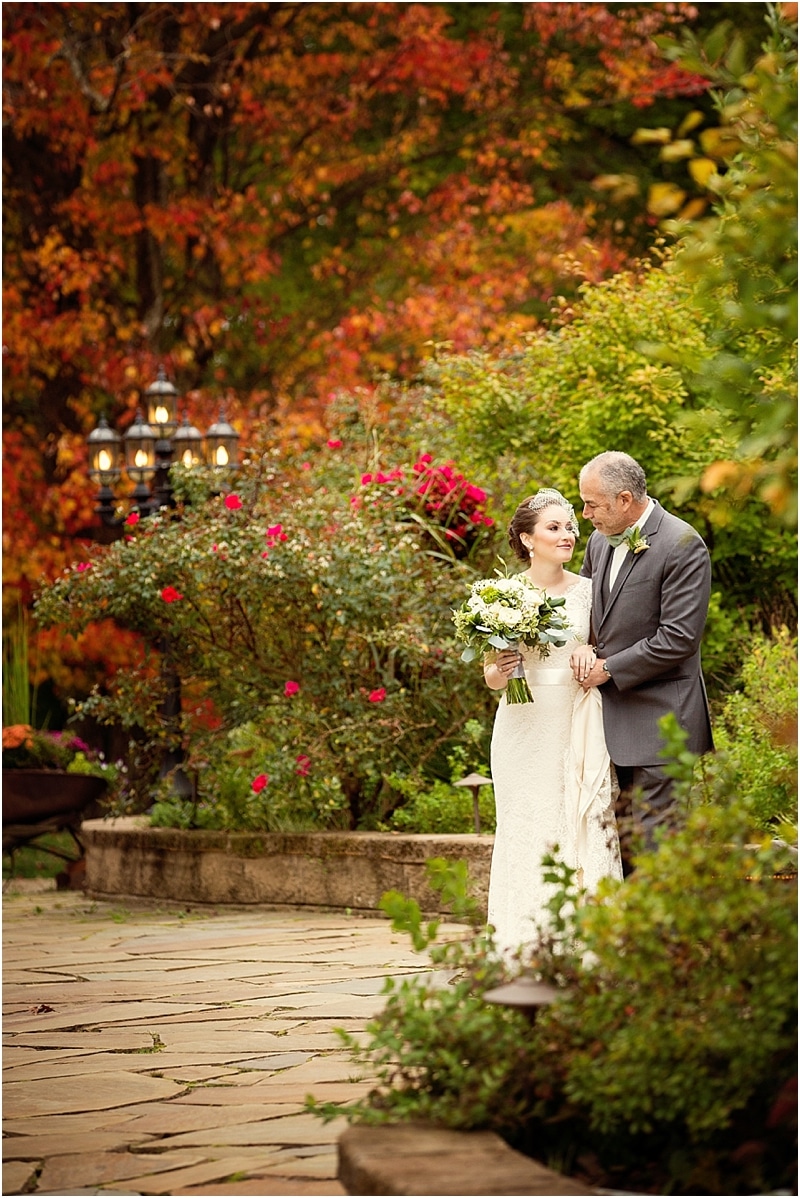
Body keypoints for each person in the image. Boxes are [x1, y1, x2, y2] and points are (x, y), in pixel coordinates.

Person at [485, 488, 622, 956]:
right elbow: (490, 677)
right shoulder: (502, 596)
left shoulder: (590, 591)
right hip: (521, 728)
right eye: (554, 527)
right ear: (527, 539)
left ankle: (585, 947)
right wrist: (500, 669)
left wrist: (591, 651)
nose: (567, 535)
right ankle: (523, 947)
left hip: (575, 723)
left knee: (580, 821)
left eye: (569, 527)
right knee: (526, 829)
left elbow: (605, 646)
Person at [576, 451, 713, 870]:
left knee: (657, 850)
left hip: (662, 721)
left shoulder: (682, 544)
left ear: (624, 499)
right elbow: (587, 613)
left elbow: (679, 637)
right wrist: (582, 645)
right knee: (620, 850)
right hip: (607, 722)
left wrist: (608, 668)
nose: (585, 514)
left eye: (592, 504)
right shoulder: (598, 542)